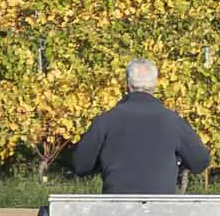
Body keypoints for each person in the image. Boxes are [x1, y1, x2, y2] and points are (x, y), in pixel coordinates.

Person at [70, 58, 211, 194]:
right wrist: (177, 163)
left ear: (127, 85)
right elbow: (200, 162)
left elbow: (81, 165)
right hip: (161, 212)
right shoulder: (173, 122)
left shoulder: (106, 121)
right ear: (155, 86)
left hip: (116, 212)